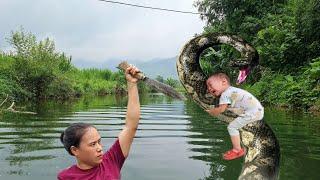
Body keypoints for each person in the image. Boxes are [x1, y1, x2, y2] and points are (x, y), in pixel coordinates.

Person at [58, 65, 141, 179]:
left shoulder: (111, 160)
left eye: (99, 142)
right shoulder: (66, 177)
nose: (100, 148)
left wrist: (131, 83)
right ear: (75, 150)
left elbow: (130, 126)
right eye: (93, 144)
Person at [205, 73, 264, 160]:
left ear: (224, 82)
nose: (209, 88)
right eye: (208, 87)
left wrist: (212, 111)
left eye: (210, 85)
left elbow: (221, 109)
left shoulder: (225, 94)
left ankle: (237, 150)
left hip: (252, 113)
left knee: (232, 127)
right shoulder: (233, 90)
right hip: (258, 110)